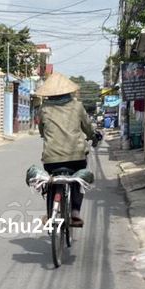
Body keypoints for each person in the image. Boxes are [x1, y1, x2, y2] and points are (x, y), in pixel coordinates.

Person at [36, 72, 102, 227]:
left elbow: (42, 131)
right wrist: (93, 137)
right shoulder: (77, 106)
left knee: (52, 181)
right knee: (77, 180)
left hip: (51, 159)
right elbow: (88, 128)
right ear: (68, 91)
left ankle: (51, 213)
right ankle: (75, 213)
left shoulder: (43, 108)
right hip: (76, 157)